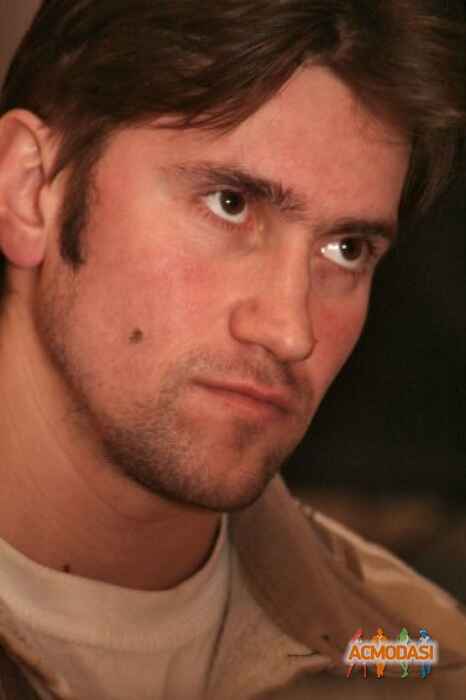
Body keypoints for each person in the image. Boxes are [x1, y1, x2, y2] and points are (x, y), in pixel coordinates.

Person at [0, 1, 465, 698]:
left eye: (347, 249)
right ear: (30, 189)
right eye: (230, 204)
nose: (290, 330)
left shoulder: (412, 657)